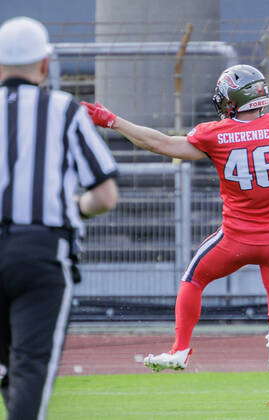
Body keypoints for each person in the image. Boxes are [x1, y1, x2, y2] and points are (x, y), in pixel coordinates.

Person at [82, 64, 269, 409]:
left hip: (235, 239)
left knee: (193, 279)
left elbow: (161, 144)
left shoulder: (215, 134)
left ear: (231, 98)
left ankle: (180, 348)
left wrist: (113, 121)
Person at [0, 17, 118, 420]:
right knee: (31, 364)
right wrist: (76, 207)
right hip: (41, 251)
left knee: (6, 366)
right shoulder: (62, 109)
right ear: (45, 64)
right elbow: (104, 194)